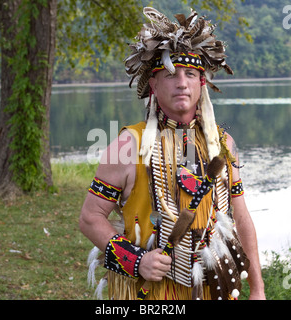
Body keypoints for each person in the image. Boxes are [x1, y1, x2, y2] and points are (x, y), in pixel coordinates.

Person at [79, 7, 266, 300]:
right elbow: (90, 218)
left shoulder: (223, 144)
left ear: (201, 83)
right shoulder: (128, 145)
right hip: (144, 293)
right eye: (170, 74)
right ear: (153, 85)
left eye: (190, 74)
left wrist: (257, 288)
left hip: (213, 287)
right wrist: (137, 261)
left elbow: (240, 218)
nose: (181, 82)